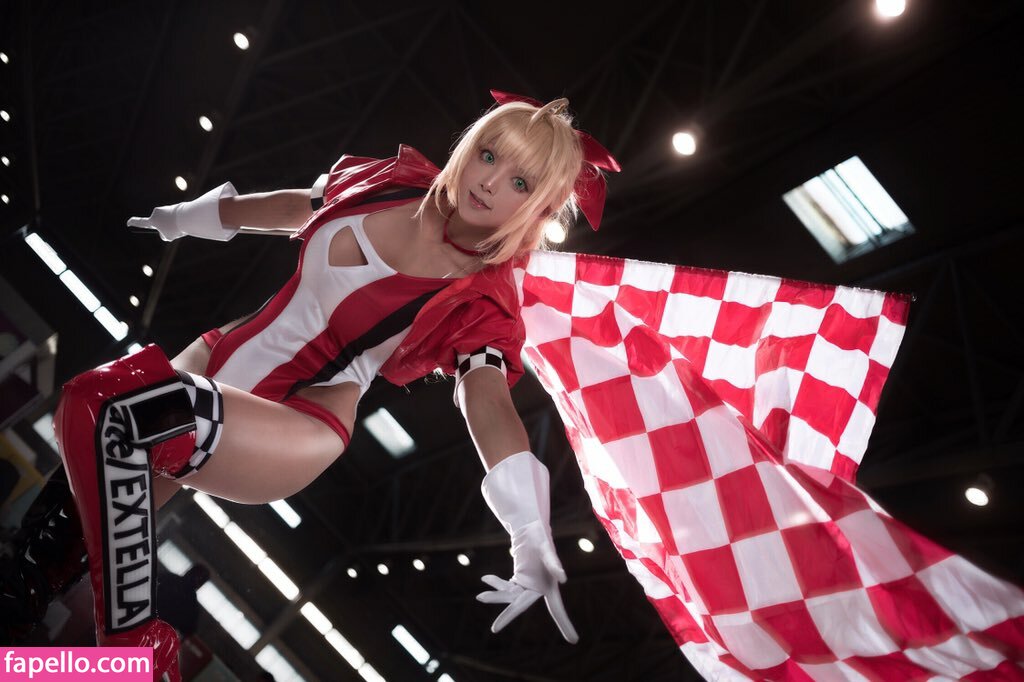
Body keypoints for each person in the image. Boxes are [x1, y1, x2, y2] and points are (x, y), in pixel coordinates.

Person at [50, 90, 620, 680]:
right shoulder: (388, 183)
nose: (490, 183)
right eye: (489, 155)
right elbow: (294, 206)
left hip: (299, 422)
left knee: (110, 409)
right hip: (218, 356)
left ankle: (133, 638)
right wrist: (185, 218)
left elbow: (489, 402)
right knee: (63, 533)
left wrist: (528, 527)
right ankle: (53, 658)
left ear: (539, 209)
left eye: (520, 184)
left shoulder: (481, 300)